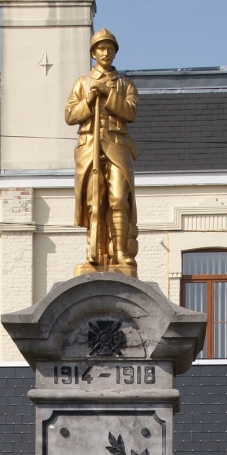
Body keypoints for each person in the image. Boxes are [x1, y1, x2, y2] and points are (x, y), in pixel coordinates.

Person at [65, 28, 139, 277]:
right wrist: (89, 100)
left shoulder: (125, 84)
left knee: (119, 199)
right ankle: (94, 253)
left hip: (117, 145)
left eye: (110, 48)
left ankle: (121, 254)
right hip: (90, 146)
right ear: (93, 52)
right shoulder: (82, 83)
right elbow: (70, 115)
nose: (105, 52)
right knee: (94, 201)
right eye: (101, 48)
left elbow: (130, 112)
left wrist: (107, 93)